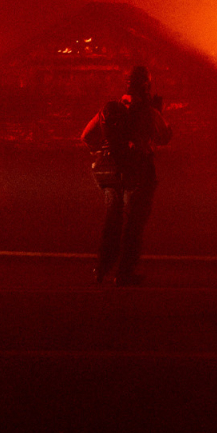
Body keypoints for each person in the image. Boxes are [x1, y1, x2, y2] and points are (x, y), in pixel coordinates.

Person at [82, 65, 172, 285]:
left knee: (112, 220)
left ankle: (102, 268)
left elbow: (86, 136)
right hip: (138, 173)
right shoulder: (149, 112)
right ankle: (124, 273)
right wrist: (159, 113)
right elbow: (165, 137)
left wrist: (107, 148)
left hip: (111, 173)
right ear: (146, 85)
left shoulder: (109, 109)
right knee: (134, 224)